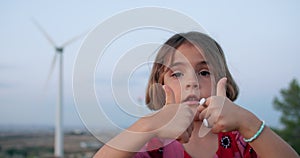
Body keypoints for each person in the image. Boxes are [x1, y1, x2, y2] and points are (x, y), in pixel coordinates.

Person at [94, 31, 299, 158]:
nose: (191, 82)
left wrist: (248, 122)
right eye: (177, 74)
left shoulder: (243, 140)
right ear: (159, 84)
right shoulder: (151, 144)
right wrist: (148, 125)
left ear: (223, 80)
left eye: (203, 72)